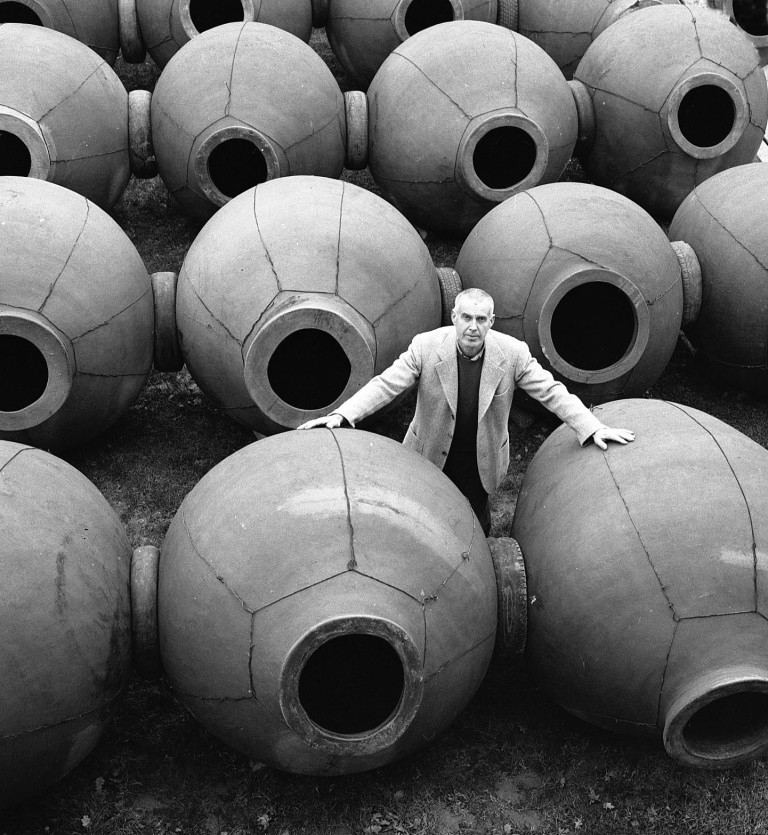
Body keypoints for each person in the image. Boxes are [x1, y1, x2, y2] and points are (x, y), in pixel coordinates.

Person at [298, 288, 634, 533]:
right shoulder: (426, 347)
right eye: (467, 318)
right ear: (455, 318)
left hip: (480, 459)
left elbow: (552, 392)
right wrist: (344, 415)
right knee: (422, 519)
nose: (473, 327)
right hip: (429, 452)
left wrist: (591, 426)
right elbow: (386, 384)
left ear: (491, 322)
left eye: (481, 320)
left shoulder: (513, 353)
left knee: (475, 523)